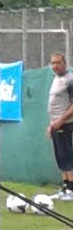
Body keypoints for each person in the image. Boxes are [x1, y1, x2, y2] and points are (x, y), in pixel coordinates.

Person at [47, 52, 73, 201]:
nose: (55, 66)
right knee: (60, 157)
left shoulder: (70, 79)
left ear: (64, 63)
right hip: (55, 124)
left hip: (65, 124)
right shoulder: (56, 79)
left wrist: (61, 120)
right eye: (53, 63)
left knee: (67, 155)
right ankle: (64, 187)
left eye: (58, 63)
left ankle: (71, 189)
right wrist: (51, 125)